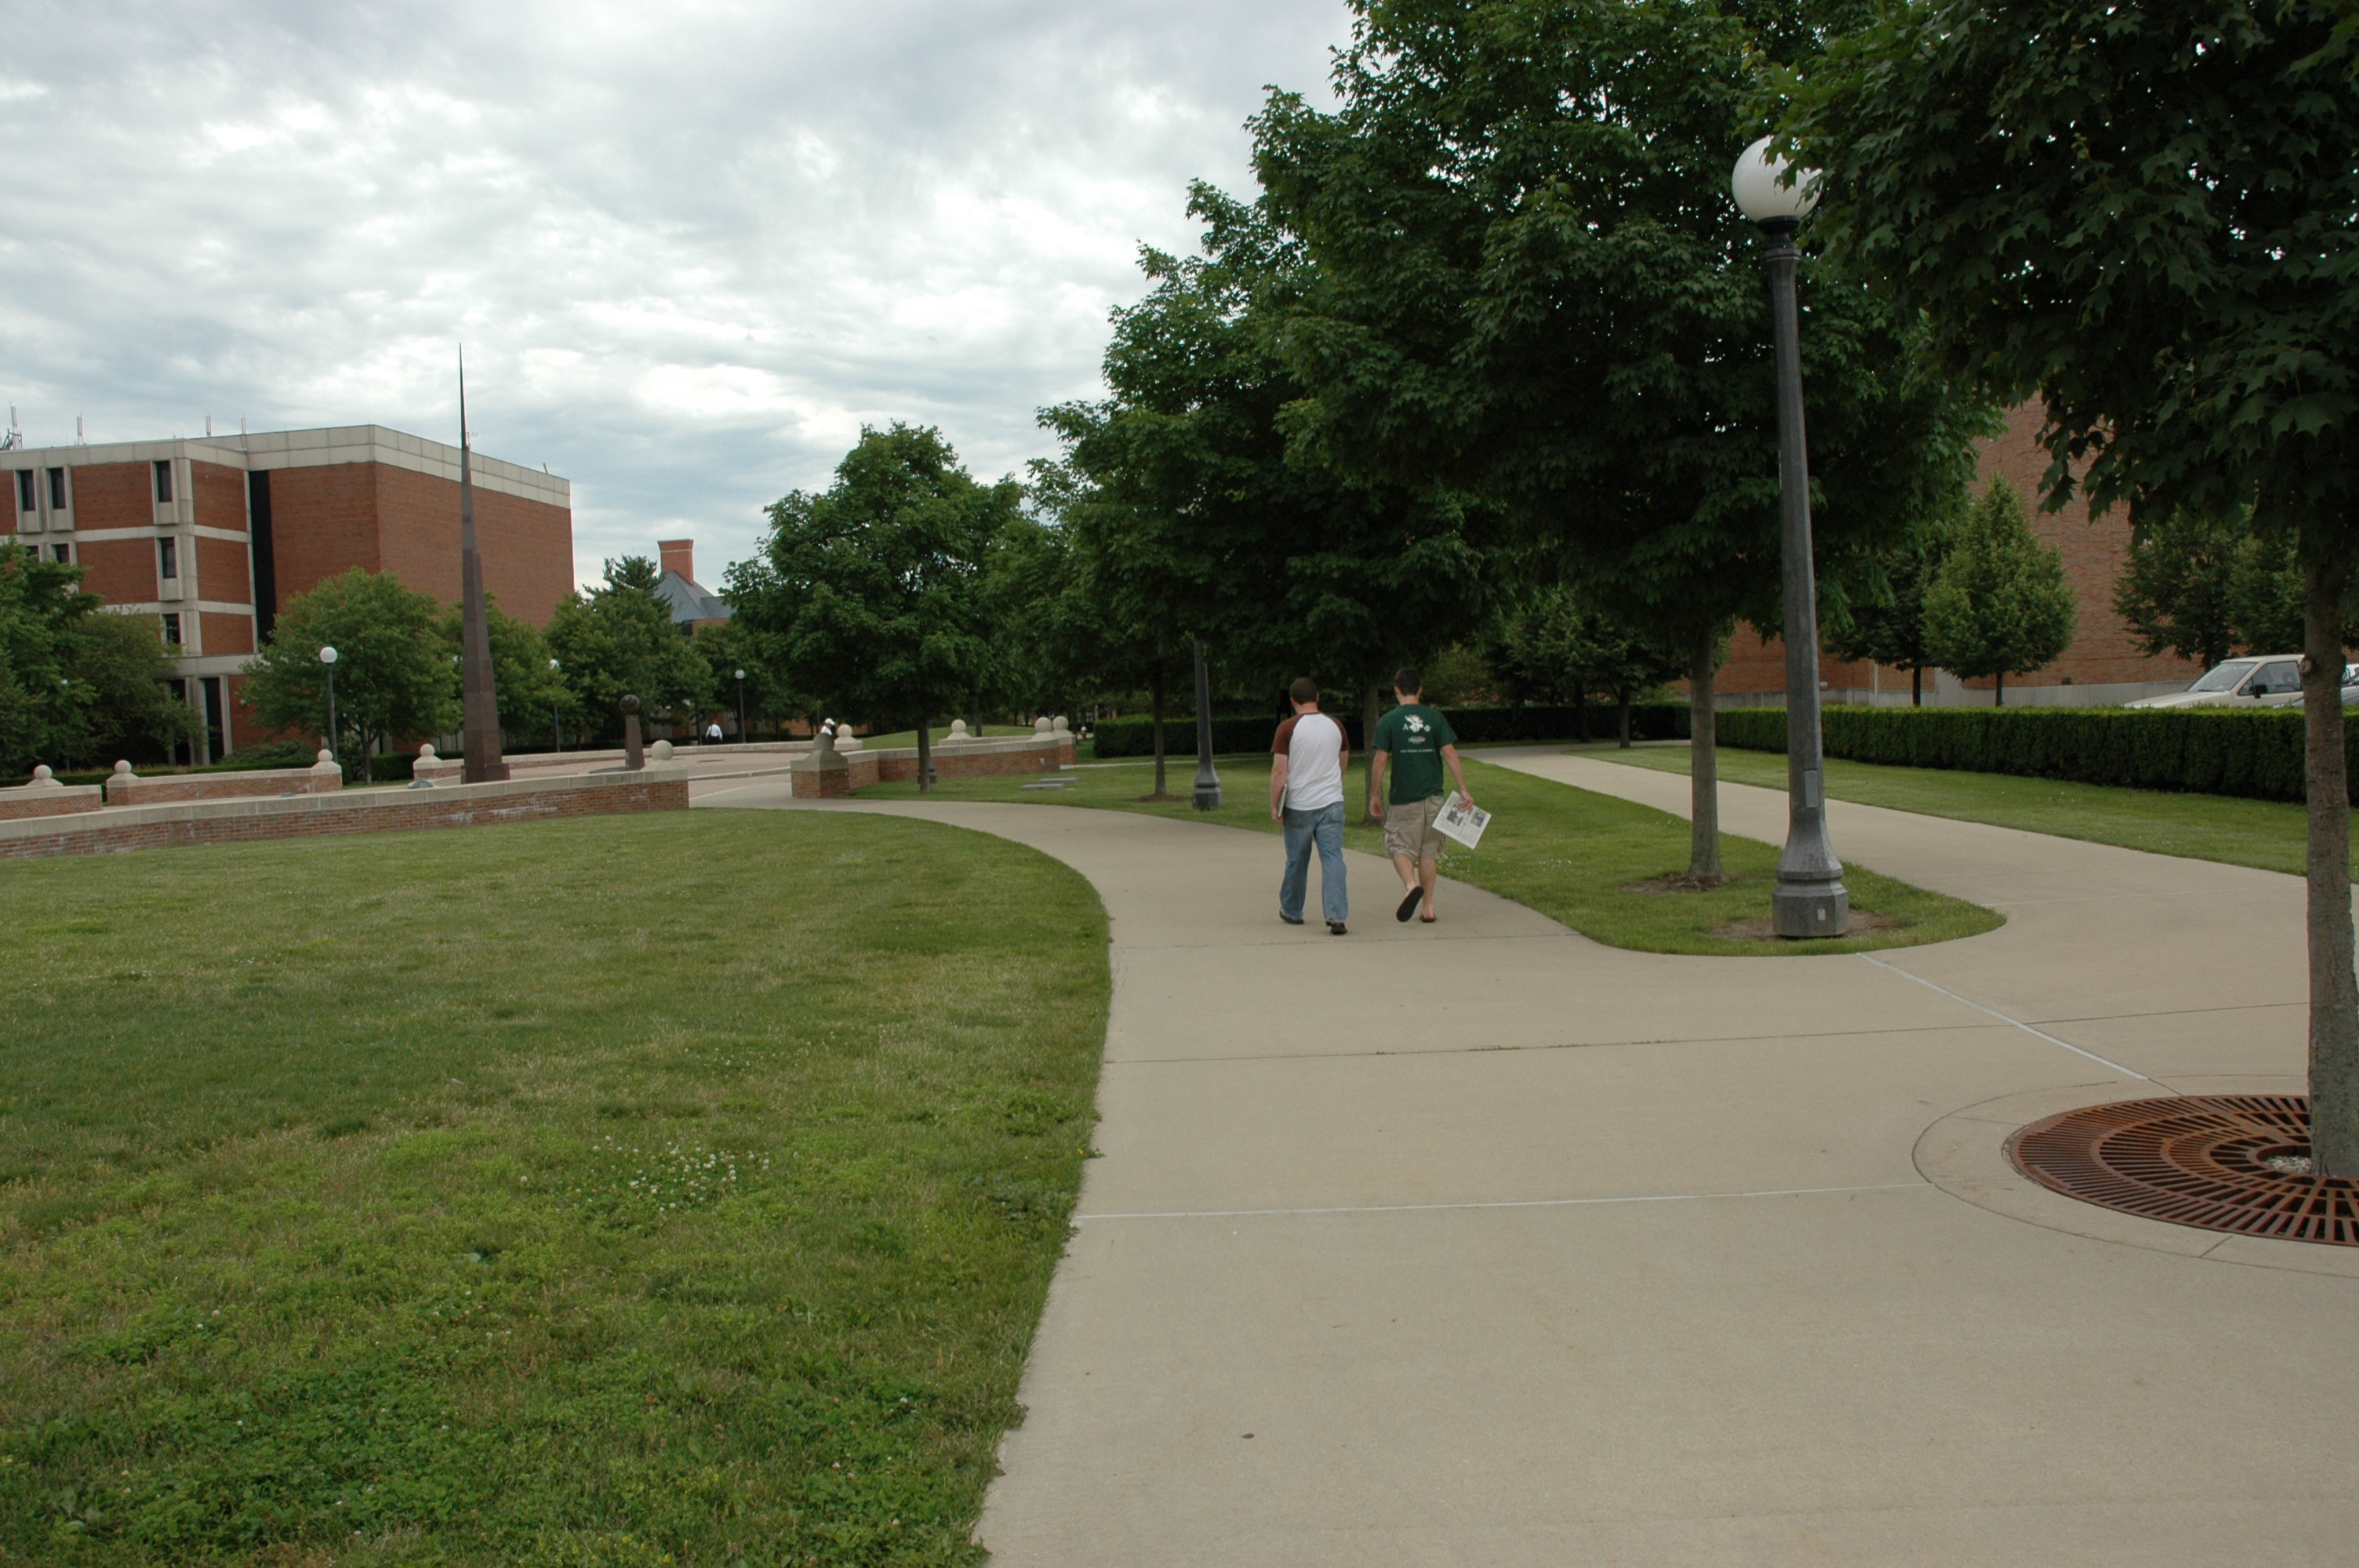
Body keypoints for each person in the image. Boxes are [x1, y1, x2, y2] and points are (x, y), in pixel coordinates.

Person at [1368, 666, 1474, 924]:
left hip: (1405, 798)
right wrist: (1463, 789)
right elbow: (1450, 753)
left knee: (1399, 846)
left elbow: (1380, 760)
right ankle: (1427, 908)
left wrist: (1375, 795)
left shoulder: (1389, 721)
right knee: (1428, 852)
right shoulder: (1434, 718)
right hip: (1434, 797)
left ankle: (1410, 885)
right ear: (1420, 689)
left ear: (1397, 690)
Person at [1270, 677, 1350, 935]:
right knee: (1333, 857)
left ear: (1293, 701)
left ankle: (1292, 910)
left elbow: (1280, 771)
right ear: (1317, 697)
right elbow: (1343, 760)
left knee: (1297, 859)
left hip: (1300, 804)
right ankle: (1336, 915)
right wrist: (1332, 783)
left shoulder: (1287, 728)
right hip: (1332, 802)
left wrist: (1275, 804)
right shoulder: (1336, 725)